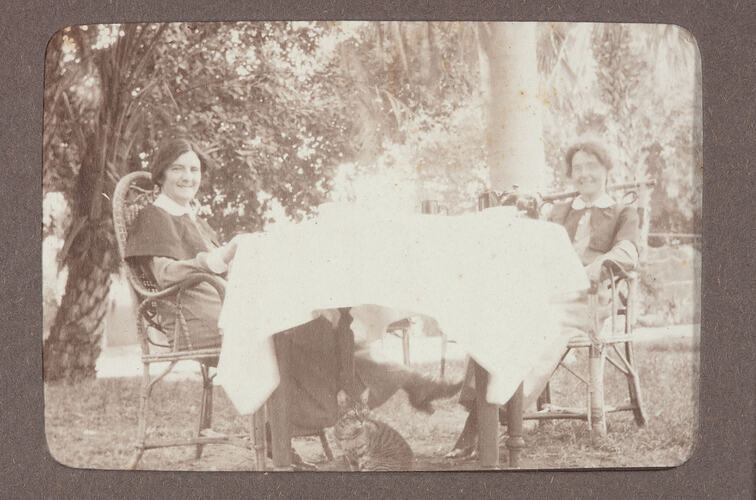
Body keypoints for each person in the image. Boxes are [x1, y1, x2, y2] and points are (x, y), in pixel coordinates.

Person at [124, 136, 460, 462]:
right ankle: (388, 388)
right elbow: (164, 273)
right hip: (197, 319)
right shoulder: (155, 215)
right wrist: (214, 259)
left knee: (321, 326)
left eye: (194, 170)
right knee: (306, 329)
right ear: (161, 174)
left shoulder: (190, 217)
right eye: (178, 169)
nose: (188, 177)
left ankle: (301, 424)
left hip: (225, 309)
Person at [447, 138, 640, 457]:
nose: (584, 173)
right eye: (577, 168)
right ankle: (483, 409)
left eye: (591, 166)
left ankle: (490, 420)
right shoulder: (560, 211)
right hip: (552, 295)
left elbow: (629, 251)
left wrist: (596, 266)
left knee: (541, 328)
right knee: (499, 317)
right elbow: (533, 251)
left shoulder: (622, 210)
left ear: (606, 169)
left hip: (592, 299)